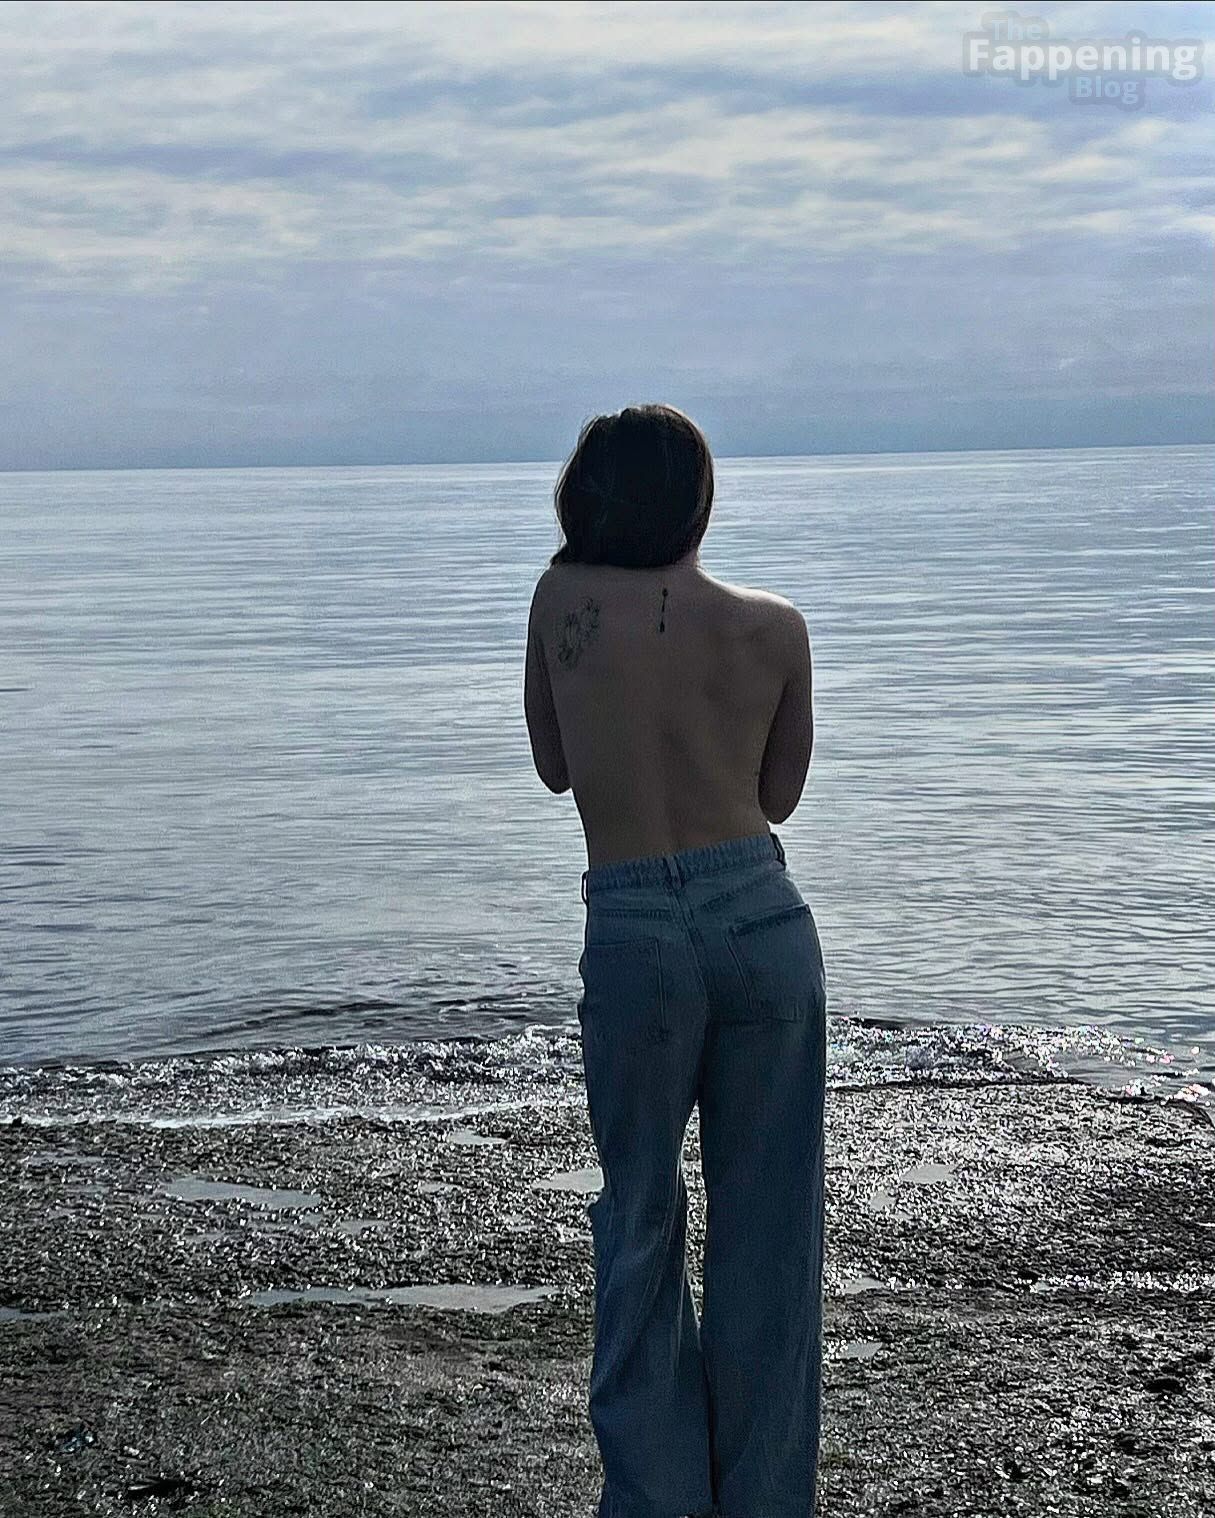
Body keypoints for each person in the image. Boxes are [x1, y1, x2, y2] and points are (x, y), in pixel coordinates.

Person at [523, 403, 826, 1518]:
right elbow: (777, 798)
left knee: (641, 1218)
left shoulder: (560, 602)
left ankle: (656, 1501)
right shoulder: (776, 627)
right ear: (700, 502)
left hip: (636, 924)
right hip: (761, 921)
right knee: (770, 1232)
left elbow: (554, 767)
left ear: (588, 497)